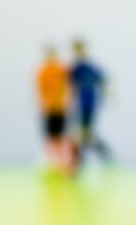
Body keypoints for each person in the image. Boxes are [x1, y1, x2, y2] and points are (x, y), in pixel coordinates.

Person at [68, 39, 111, 168]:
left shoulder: (90, 67)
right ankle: (79, 160)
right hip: (78, 105)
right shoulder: (75, 69)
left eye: (80, 49)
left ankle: (97, 156)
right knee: (81, 134)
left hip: (89, 105)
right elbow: (70, 86)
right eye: (76, 50)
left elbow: (103, 80)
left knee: (86, 134)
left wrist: (104, 96)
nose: (79, 53)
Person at [35, 45, 73, 175]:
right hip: (49, 109)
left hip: (60, 108)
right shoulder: (43, 70)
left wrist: (67, 101)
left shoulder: (62, 69)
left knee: (61, 136)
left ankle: (65, 164)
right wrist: (43, 105)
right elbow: (41, 89)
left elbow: (69, 86)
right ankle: (52, 164)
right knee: (50, 137)